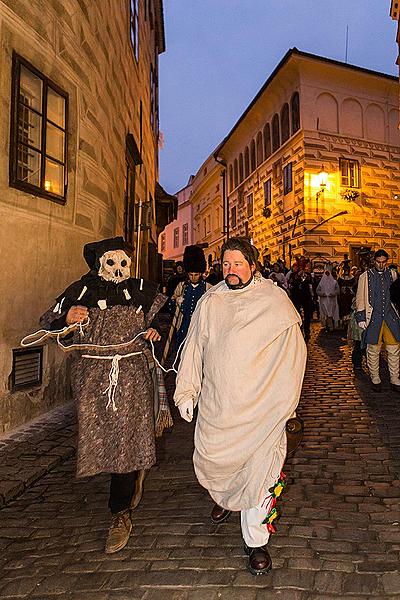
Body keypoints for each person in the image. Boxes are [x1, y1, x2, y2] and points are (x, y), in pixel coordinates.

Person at [174, 237, 306, 576]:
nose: (231, 270)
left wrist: (284, 404)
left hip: (262, 409)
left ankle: (256, 540)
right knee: (224, 466)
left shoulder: (275, 301)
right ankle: (225, 498)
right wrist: (187, 391)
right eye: (226, 264)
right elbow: (194, 349)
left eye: (238, 264)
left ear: (253, 265)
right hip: (221, 407)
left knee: (261, 473)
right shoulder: (211, 301)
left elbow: (294, 355)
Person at [39, 237, 169, 553]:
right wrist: (65, 317)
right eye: (112, 262)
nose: (119, 269)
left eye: (124, 262)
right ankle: (132, 478)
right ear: (99, 264)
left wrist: (156, 330)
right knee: (104, 442)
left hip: (131, 375)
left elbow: (165, 317)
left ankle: (119, 514)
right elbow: (47, 320)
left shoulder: (142, 290)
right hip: (93, 379)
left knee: (126, 441)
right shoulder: (79, 291)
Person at [356, 249, 400, 392]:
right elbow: (360, 298)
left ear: (387, 261)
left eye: (384, 262)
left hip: (389, 316)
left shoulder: (392, 274)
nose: (381, 265)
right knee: (373, 349)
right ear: (374, 261)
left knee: (394, 348)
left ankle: (394, 378)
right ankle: (375, 378)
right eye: (378, 262)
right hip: (373, 317)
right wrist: (361, 316)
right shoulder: (365, 276)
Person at [170, 245, 212, 349]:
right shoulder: (181, 286)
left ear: (201, 273)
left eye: (196, 275)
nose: (193, 277)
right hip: (184, 325)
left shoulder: (208, 288)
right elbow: (170, 305)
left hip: (200, 326)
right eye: (190, 274)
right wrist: (176, 302)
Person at [288, 264, 313, 341]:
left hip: (306, 297)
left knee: (307, 316)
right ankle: (299, 331)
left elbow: (311, 282)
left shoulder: (307, 274)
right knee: (297, 315)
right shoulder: (293, 274)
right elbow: (291, 283)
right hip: (297, 297)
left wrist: (306, 276)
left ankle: (307, 331)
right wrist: (296, 277)